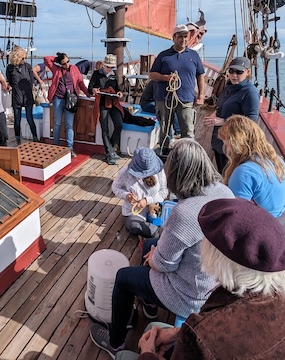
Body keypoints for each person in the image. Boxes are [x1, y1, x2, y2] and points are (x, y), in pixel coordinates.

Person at [90, 139, 234, 358]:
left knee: (123, 278)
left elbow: (162, 265)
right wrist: (154, 252)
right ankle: (148, 302)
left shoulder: (185, 212)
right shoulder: (224, 192)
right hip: (213, 281)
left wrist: (153, 259)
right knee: (149, 243)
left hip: (191, 293)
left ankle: (115, 342)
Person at [133, 198, 285, 359]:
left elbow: (209, 341)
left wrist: (147, 354)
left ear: (217, 257)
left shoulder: (202, 335)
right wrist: (177, 333)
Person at [218, 115, 285, 220]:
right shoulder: (278, 160)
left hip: (260, 226)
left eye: (226, 144)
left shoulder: (244, 173)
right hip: (277, 221)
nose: (226, 149)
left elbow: (236, 216)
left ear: (235, 144)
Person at [149, 25, 205, 147]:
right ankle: (164, 152)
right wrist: (165, 78)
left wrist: (201, 96)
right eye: (180, 37)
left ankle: (187, 155)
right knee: (164, 130)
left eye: (185, 36)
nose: (183, 39)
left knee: (188, 131)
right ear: (173, 38)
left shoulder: (194, 56)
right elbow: (152, 75)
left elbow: (200, 75)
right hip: (165, 99)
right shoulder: (163, 56)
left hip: (186, 99)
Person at [203, 56, 259, 173]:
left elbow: (250, 122)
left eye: (239, 72)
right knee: (220, 170)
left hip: (233, 146)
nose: (234, 75)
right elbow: (220, 105)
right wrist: (214, 114)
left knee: (228, 175)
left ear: (248, 72)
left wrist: (222, 121)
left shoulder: (249, 93)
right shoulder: (230, 87)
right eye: (231, 71)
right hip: (220, 142)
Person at [112, 148, 168, 238]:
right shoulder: (125, 172)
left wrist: (147, 200)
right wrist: (126, 195)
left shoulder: (159, 171)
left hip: (155, 209)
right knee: (135, 226)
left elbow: (164, 192)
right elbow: (115, 187)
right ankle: (161, 234)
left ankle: (162, 234)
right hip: (133, 212)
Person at [44, 52, 91, 157]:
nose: (67, 64)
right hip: (58, 99)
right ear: (60, 64)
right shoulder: (56, 69)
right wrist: (58, 58)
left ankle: (70, 148)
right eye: (64, 63)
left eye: (68, 61)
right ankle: (56, 147)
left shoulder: (74, 69)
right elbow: (46, 58)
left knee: (69, 125)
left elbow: (80, 83)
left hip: (71, 100)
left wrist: (88, 93)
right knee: (57, 124)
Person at [89, 53, 124, 164]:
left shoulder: (114, 75)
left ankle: (112, 149)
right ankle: (109, 153)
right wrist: (94, 90)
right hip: (102, 103)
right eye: (108, 66)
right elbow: (90, 88)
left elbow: (118, 89)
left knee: (119, 124)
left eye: (111, 67)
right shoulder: (96, 74)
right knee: (105, 129)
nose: (109, 69)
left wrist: (119, 93)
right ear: (104, 65)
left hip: (113, 103)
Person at [6, 46, 39, 144]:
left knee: (30, 118)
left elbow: (31, 80)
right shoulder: (10, 68)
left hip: (27, 96)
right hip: (17, 97)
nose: (24, 60)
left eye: (25, 58)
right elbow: (10, 81)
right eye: (23, 58)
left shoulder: (27, 66)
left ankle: (35, 137)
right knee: (17, 120)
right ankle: (17, 139)